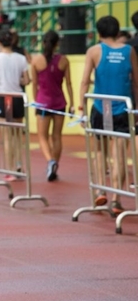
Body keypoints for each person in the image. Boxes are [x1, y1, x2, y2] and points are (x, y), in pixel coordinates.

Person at [79, 16, 138, 215]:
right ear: (118, 31)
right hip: (123, 108)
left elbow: (85, 81)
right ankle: (116, 198)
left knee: (99, 152)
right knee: (119, 154)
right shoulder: (129, 51)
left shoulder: (94, 51)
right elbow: (136, 82)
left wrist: (80, 107)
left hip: (100, 107)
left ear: (98, 33)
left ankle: (99, 190)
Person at [0, 28, 31, 181]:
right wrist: (16, 80)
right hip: (17, 96)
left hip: (2, 96)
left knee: (7, 136)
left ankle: (10, 169)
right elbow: (27, 80)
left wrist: (0, 81)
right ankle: (19, 164)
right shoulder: (21, 58)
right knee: (17, 135)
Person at [31, 30, 74, 181]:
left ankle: (50, 161)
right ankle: (54, 164)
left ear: (43, 43)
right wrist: (72, 103)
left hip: (43, 102)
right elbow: (68, 83)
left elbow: (34, 84)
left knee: (42, 136)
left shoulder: (36, 61)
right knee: (57, 136)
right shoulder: (64, 60)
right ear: (57, 44)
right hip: (59, 102)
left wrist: (35, 100)